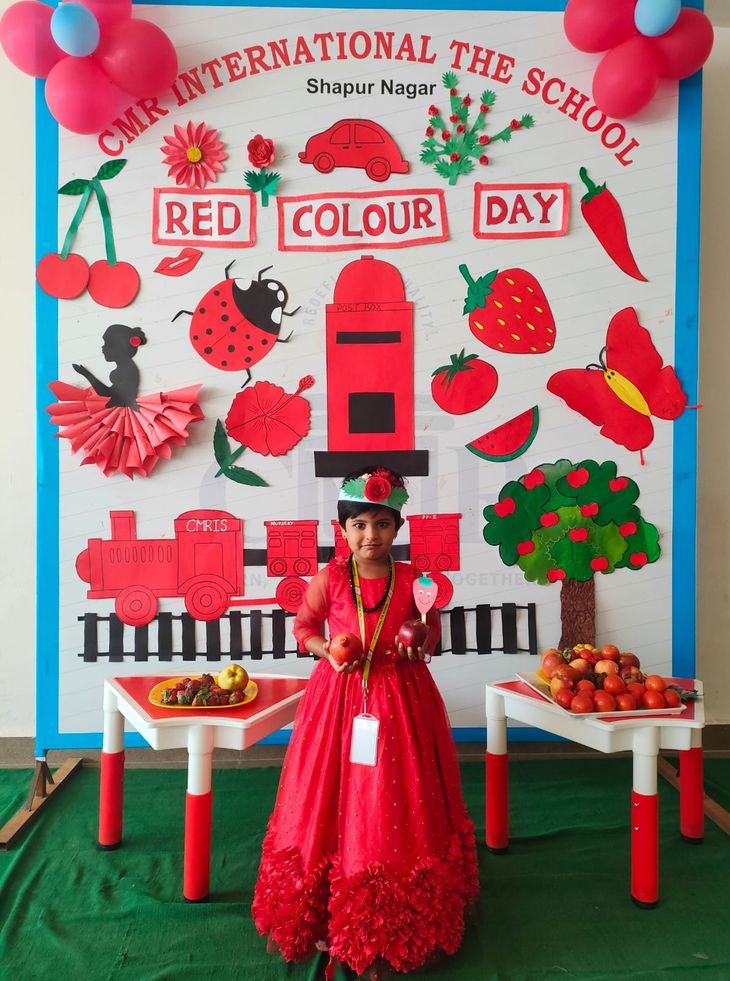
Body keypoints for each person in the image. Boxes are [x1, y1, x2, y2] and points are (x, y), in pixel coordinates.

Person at [252, 467, 478, 978]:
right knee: (327, 793)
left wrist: (417, 638)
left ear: (397, 529)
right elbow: (304, 626)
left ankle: (392, 914)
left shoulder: (415, 583)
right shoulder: (330, 578)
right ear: (342, 529)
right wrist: (325, 651)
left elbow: (431, 641)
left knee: (394, 793)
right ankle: (323, 908)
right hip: (337, 700)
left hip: (400, 700)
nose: (369, 535)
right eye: (358, 524)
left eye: (380, 524)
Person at [46, 323, 203, 478]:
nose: (103, 348)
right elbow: (111, 394)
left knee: (122, 439)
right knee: (121, 439)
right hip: (120, 410)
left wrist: (88, 375)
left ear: (118, 347)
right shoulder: (125, 368)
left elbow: (108, 393)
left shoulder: (126, 369)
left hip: (126, 410)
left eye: (106, 344)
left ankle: (125, 460)